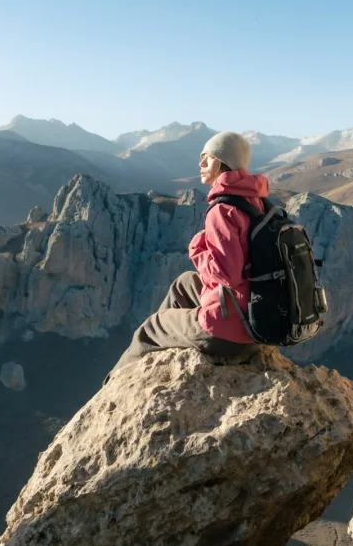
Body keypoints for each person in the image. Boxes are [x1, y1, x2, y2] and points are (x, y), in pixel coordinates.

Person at [112, 130, 268, 369]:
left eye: (208, 157)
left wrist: (197, 249)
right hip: (255, 317)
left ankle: (116, 383)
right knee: (184, 283)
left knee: (152, 326)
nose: (201, 163)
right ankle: (175, 342)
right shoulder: (255, 200)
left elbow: (228, 274)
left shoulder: (223, 210)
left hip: (230, 336)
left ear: (224, 163)